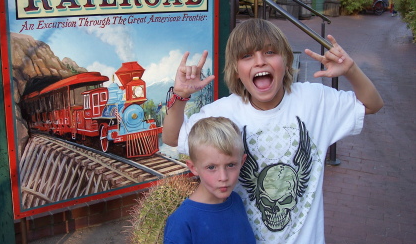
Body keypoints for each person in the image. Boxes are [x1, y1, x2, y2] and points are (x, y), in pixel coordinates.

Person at [162, 18, 383, 244]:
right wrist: (180, 96)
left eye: (269, 52)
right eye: (247, 56)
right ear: (236, 70)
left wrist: (351, 70)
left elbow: (372, 105)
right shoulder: (223, 113)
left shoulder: (314, 101)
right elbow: (172, 137)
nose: (260, 62)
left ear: (286, 61)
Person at [163, 117, 256, 244]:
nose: (223, 177)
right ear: (193, 167)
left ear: (242, 162)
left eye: (231, 165)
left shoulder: (236, 201)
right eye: (211, 167)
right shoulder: (182, 221)